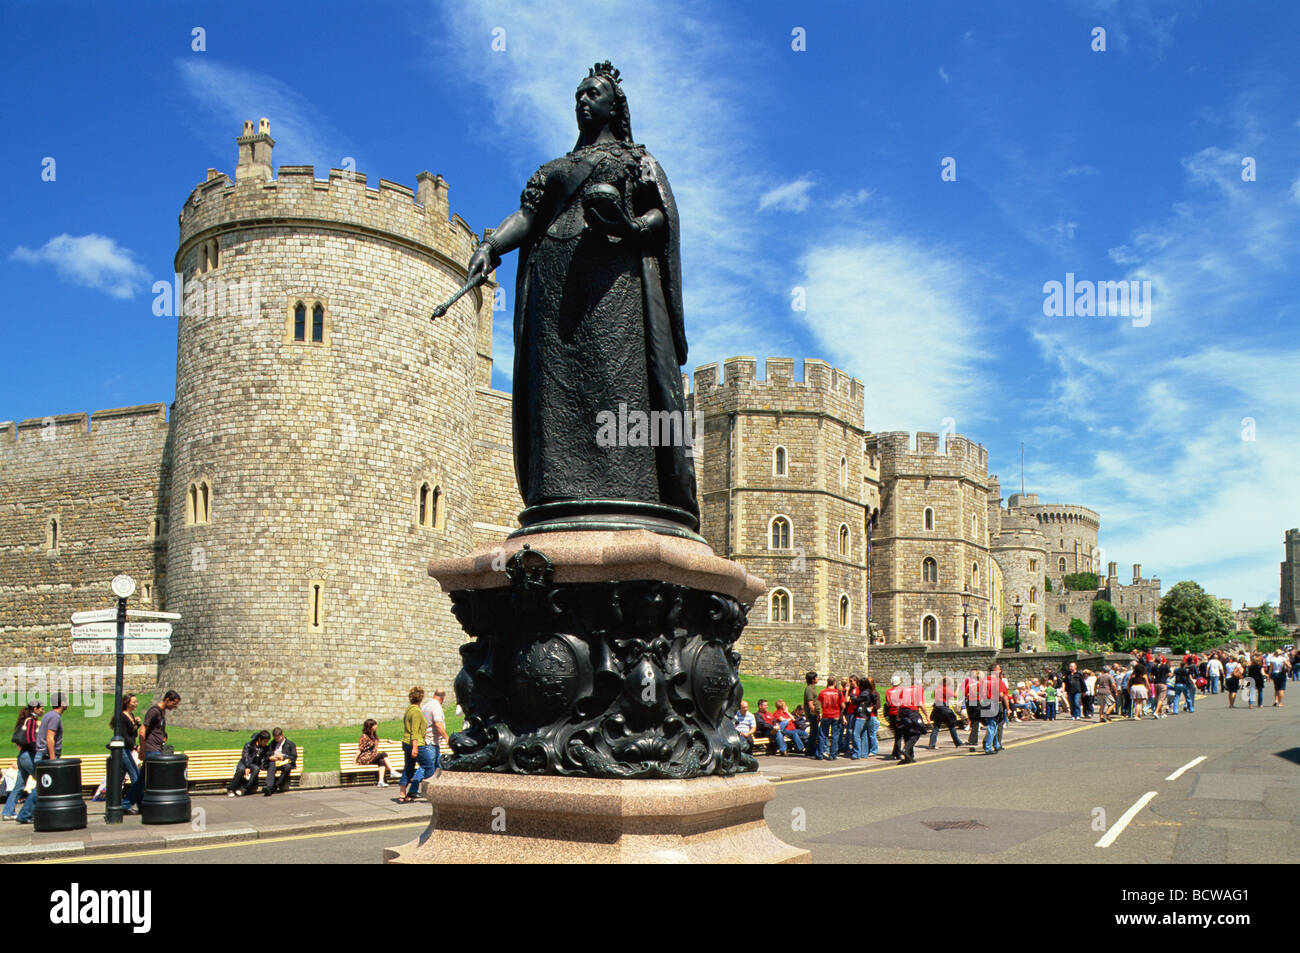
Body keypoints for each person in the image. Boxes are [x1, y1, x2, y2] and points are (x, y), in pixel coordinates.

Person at [17, 693, 69, 824]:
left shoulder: (48, 715)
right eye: (66, 700)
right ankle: (25, 814)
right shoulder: (55, 717)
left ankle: (30, 814)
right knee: (43, 787)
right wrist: (53, 759)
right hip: (46, 755)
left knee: (43, 786)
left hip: (42, 754)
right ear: (62, 703)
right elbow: (50, 737)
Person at [3, 702, 42, 821]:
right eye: (41, 708)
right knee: (41, 783)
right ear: (35, 709)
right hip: (29, 756)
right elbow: (30, 739)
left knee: (19, 786)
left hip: (22, 756)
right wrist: (38, 749)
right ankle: (26, 812)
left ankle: (7, 812)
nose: (43, 710)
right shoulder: (31, 720)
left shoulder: (26, 720)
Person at [112, 693, 143, 813]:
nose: (136, 704)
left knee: (120, 778)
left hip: (128, 749)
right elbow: (123, 736)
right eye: (134, 702)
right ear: (127, 703)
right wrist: (135, 746)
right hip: (123, 750)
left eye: (136, 701)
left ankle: (121, 803)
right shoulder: (122, 716)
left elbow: (132, 733)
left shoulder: (130, 715)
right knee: (136, 777)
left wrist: (136, 724)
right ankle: (127, 804)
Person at [398, 687, 428, 803]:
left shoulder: (408, 710)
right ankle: (429, 791)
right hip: (416, 743)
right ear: (421, 698)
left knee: (408, 768)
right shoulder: (416, 711)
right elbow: (414, 731)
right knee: (429, 765)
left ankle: (402, 794)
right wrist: (415, 747)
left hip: (406, 742)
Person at [226, 730, 269, 797]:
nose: (266, 743)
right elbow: (245, 757)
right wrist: (247, 767)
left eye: (267, 741)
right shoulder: (249, 745)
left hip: (254, 764)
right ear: (259, 739)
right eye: (265, 741)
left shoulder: (265, 748)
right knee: (241, 770)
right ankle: (231, 789)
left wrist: (261, 766)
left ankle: (243, 789)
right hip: (244, 762)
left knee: (256, 769)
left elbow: (264, 759)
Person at [355, 719, 396, 786]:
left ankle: (380, 782)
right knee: (383, 754)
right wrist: (354, 762)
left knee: (381, 761)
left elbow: (378, 740)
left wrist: (388, 740)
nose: (376, 726)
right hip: (365, 758)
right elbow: (360, 749)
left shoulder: (373, 736)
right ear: (369, 727)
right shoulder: (364, 736)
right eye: (374, 725)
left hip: (371, 758)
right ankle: (392, 771)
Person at [981, 666, 1012, 754]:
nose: (1000, 670)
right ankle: (988, 748)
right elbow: (1003, 695)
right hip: (995, 703)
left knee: (993, 724)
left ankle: (996, 745)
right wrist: (1008, 708)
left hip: (985, 703)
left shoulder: (984, 680)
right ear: (994, 671)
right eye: (999, 669)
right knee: (992, 726)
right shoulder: (998, 681)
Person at [927, 678, 962, 749]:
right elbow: (955, 695)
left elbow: (933, 697)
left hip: (937, 709)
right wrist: (958, 687)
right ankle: (957, 742)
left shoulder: (937, 689)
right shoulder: (945, 689)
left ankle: (931, 744)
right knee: (951, 726)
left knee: (936, 726)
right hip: (944, 709)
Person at [262, 727, 297, 796]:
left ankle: (275, 786)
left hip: (284, 763)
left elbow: (293, 757)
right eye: (275, 738)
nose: (277, 740)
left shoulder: (290, 744)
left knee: (287, 767)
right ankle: (268, 787)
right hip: (274, 762)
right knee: (271, 765)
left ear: (282, 735)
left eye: (279, 738)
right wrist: (270, 758)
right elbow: (266, 755)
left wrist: (283, 757)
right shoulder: (272, 744)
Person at [817, 676, 843, 761]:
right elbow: (843, 705)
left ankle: (820, 754)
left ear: (827, 683)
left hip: (826, 715)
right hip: (836, 715)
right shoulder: (838, 692)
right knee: (835, 735)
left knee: (823, 735)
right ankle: (832, 755)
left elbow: (819, 703)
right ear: (835, 683)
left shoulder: (822, 692)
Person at [852, 677, 878, 759]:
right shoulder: (870, 692)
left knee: (855, 734)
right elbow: (874, 701)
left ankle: (857, 753)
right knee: (863, 734)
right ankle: (864, 753)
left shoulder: (864, 693)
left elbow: (855, 701)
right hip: (867, 715)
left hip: (861, 716)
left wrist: (853, 696)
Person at [961, 668, 984, 747]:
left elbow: (965, 693)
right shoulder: (981, 684)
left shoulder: (970, 684)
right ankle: (974, 740)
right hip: (977, 702)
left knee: (974, 721)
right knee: (977, 721)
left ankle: (972, 740)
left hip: (970, 702)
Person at [802, 671, 821, 759]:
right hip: (812, 714)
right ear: (813, 679)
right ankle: (810, 751)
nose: (818, 679)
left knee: (815, 732)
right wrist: (817, 714)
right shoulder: (809, 689)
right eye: (816, 677)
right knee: (814, 733)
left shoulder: (813, 688)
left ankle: (811, 750)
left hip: (814, 713)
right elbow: (810, 704)